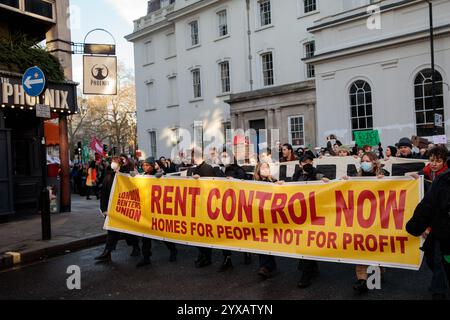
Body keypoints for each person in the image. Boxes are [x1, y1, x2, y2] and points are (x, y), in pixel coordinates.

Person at [343, 152, 389, 293]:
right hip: (361, 218)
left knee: (375, 247)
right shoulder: (357, 177)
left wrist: (385, 180)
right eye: (363, 161)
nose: (364, 163)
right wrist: (343, 182)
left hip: (378, 218)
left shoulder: (385, 173)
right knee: (360, 247)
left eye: (367, 160)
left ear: (375, 162)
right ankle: (362, 280)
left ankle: (379, 271)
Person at [406, 156, 450, 300]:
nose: (433, 163)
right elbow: (428, 205)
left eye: (438, 160)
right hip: (442, 230)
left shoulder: (443, 179)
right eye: (431, 160)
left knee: (438, 260)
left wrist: (415, 226)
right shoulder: (444, 179)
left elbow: (428, 205)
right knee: (434, 258)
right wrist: (418, 226)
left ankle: (439, 291)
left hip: (443, 232)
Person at [292, 155, 329, 288]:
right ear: (300, 164)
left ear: (312, 163)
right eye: (304, 162)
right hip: (301, 215)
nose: (307, 164)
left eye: (309, 162)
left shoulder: (317, 174)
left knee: (307, 243)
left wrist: (325, 180)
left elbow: (326, 182)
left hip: (314, 215)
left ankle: (305, 274)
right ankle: (312, 268)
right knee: (305, 243)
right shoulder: (296, 176)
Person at [95, 157, 141, 262]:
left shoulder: (126, 175)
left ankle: (136, 247)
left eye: (115, 162)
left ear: (120, 164)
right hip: (111, 209)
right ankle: (107, 252)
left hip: (123, 208)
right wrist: (103, 208)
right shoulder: (108, 176)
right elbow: (103, 193)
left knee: (128, 231)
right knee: (111, 231)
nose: (113, 164)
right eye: (112, 162)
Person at [137, 157, 178, 268]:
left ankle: (173, 250)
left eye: (147, 165)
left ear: (151, 166)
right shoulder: (142, 176)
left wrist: (161, 178)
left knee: (161, 234)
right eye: (143, 165)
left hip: (156, 210)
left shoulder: (158, 174)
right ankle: (145, 257)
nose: (145, 167)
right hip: (146, 210)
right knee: (145, 235)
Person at [217, 149, 252, 272]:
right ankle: (227, 258)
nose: (224, 159)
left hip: (237, 206)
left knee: (240, 230)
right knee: (224, 232)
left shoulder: (239, 170)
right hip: (224, 206)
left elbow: (244, 187)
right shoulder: (220, 170)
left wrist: (233, 182)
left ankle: (246, 252)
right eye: (222, 156)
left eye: (226, 156)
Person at [191, 148, 220, 268]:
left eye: (195, 156)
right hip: (198, 204)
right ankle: (202, 254)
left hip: (207, 204)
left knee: (205, 233)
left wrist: (201, 180)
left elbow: (211, 185)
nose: (193, 158)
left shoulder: (207, 168)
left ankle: (206, 257)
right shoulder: (195, 169)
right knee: (198, 232)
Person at [253, 162, 282, 280]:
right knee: (262, 242)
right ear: (258, 170)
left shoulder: (274, 181)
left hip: (271, 216)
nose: (265, 169)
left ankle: (267, 266)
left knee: (269, 241)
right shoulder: (252, 183)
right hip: (259, 216)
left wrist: (281, 185)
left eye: (267, 167)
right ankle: (266, 266)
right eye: (263, 168)